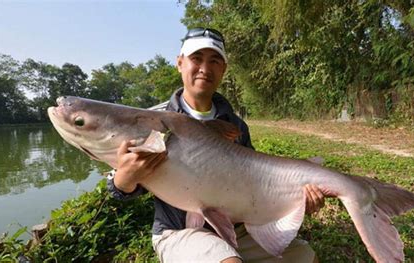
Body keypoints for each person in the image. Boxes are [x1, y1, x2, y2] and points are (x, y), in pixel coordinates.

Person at [107, 27, 325, 263]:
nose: (205, 68)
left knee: (306, 257)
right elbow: (117, 188)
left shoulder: (235, 125)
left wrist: (298, 200)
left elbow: (255, 182)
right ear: (180, 63)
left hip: (234, 230)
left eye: (214, 61)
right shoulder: (153, 120)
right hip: (180, 232)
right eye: (196, 58)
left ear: (223, 69)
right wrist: (124, 178)